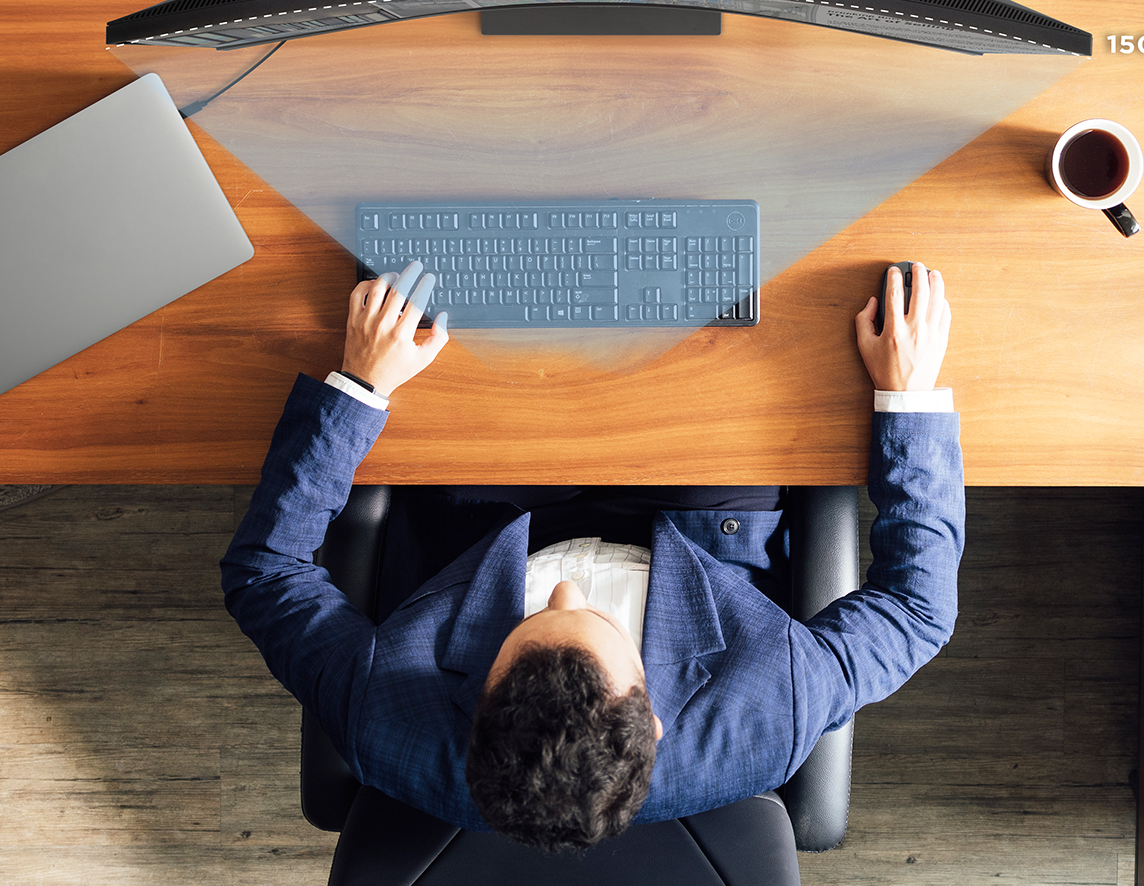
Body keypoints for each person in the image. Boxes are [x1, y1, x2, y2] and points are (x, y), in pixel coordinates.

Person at [221, 258, 961, 853]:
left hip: (488, 522)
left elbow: (264, 574)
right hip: (701, 523)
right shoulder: (768, 713)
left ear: (473, 698)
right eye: (595, 623)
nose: (567, 593)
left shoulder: (385, 720)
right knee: (755, 315)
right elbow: (917, 609)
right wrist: (908, 397)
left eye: (536, 620)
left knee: (474, 324)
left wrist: (359, 384)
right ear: (658, 712)